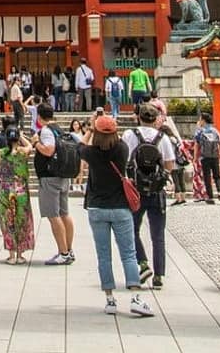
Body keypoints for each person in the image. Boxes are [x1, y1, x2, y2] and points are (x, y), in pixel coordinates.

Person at [77, 114, 154, 318]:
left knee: (104, 256)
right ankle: (136, 298)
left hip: (97, 208)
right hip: (120, 207)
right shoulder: (122, 149)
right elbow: (117, 139)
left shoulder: (91, 153)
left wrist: (91, 130)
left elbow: (79, 146)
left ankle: (110, 299)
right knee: (128, 254)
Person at [124, 102, 176, 290]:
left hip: (135, 189)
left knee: (131, 229)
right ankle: (159, 275)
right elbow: (170, 164)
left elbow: (125, 159)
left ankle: (143, 263)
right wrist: (161, 177)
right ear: (156, 120)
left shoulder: (130, 135)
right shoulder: (162, 138)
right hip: (157, 190)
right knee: (158, 234)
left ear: (139, 117)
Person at [32, 103, 75, 266]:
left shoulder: (46, 131)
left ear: (39, 116)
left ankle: (63, 252)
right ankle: (68, 250)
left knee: (53, 215)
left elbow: (49, 150)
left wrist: (36, 143)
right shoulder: (59, 128)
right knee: (65, 213)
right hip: (62, 175)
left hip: (50, 177)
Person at [0, 126, 35, 265]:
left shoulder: (0, 152)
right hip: (21, 190)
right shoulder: (23, 152)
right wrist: (22, 136)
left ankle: (11, 255)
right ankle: (19, 254)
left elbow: (0, 166)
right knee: (21, 220)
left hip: (6, 190)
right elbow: (30, 145)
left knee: (8, 221)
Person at [193, 113, 220, 204]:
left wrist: (195, 157)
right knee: (217, 175)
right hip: (215, 156)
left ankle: (210, 196)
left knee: (207, 177)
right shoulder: (215, 130)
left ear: (203, 120)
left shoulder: (200, 131)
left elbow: (196, 145)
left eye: (200, 119)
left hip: (204, 157)